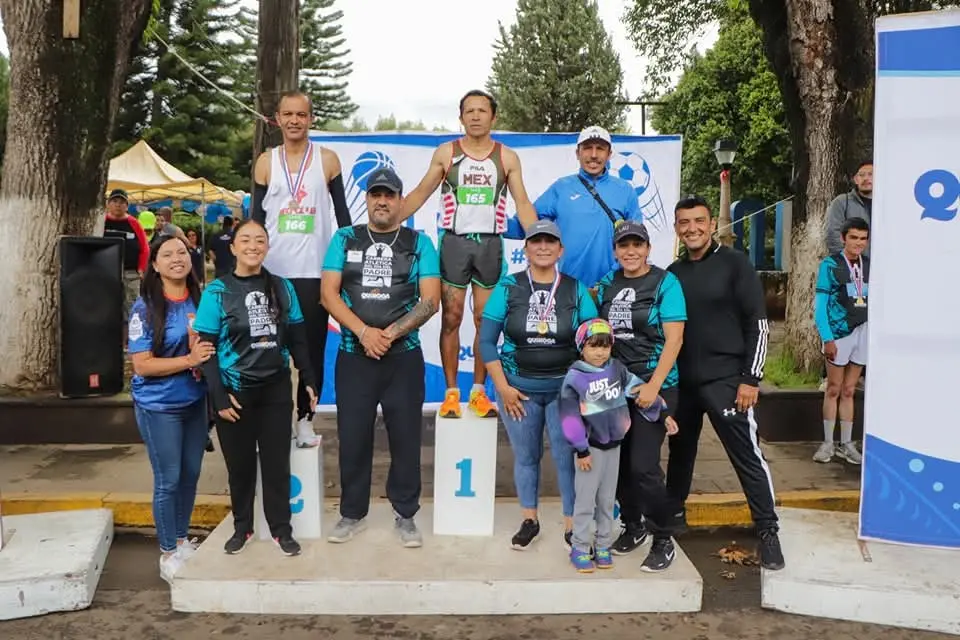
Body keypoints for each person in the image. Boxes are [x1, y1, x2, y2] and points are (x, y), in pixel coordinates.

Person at [320, 168, 440, 548]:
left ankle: (405, 515)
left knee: (406, 438)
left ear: (401, 200)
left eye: (389, 195)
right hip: (354, 355)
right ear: (368, 200)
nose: (383, 202)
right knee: (353, 437)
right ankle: (351, 514)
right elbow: (328, 295)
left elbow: (430, 301)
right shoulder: (344, 238)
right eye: (376, 195)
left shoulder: (419, 242)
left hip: (402, 356)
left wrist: (389, 334)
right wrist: (364, 332)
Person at [400, 89, 538, 420]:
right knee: (451, 316)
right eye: (469, 111)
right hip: (455, 244)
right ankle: (451, 393)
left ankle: (478, 393)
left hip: (490, 245)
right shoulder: (447, 153)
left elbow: (522, 202)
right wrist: (390, 221)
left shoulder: (506, 157)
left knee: (484, 320)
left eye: (482, 110)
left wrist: (538, 239)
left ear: (494, 117)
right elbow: (420, 192)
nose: (475, 116)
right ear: (461, 117)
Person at [665, 195, 784, 571]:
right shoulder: (674, 273)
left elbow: (758, 324)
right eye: (684, 222)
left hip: (729, 381)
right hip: (684, 383)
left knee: (747, 456)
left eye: (699, 221)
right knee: (680, 456)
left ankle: (767, 530)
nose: (692, 228)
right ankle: (671, 519)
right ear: (676, 228)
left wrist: (751, 378)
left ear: (712, 224)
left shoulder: (735, 263)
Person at [193, 219, 318, 557]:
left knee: (278, 464)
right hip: (235, 393)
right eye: (245, 240)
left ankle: (281, 529)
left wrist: (308, 378)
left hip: (275, 390)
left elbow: (297, 339)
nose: (253, 246)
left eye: (260, 240)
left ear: (267, 247)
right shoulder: (216, 292)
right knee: (241, 467)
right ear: (232, 247)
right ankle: (242, 526)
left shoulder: (282, 287)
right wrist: (218, 395)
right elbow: (206, 350)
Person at [478, 220, 598, 550]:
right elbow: (487, 341)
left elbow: (594, 342)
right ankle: (529, 520)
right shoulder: (508, 287)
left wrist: (581, 390)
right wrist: (501, 387)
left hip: (564, 393)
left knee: (565, 456)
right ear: (526, 248)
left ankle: (572, 525)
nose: (543, 247)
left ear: (561, 250)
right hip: (518, 392)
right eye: (536, 241)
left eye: (550, 242)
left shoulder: (576, 289)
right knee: (526, 456)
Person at [251, 90, 352, 449]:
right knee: (267, 350)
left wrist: (344, 269)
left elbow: (344, 221)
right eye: (287, 114)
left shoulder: (328, 160)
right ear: (277, 119)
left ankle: (305, 420)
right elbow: (255, 222)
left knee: (310, 351)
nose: (294, 121)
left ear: (311, 119)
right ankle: (269, 423)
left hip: (314, 273)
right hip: (273, 273)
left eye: (301, 115)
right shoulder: (266, 162)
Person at [595, 220, 686, 572]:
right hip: (613, 387)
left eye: (637, 245)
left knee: (643, 466)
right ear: (615, 251)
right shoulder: (606, 284)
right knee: (614, 465)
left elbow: (675, 340)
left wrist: (652, 386)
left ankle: (663, 536)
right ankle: (632, 525)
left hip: (654, 386)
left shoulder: (666, 283)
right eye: (623, 246)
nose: (630, 251)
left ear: (648, 248)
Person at [559, 319, 678, 573]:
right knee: (585, 501)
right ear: (582, 347)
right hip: (589, 451)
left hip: (614, 448)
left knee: (605, 501)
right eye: (593, 346)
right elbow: (569, 418)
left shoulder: (617, 370)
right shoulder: (575, 378)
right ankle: (580, 547)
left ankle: (602, 545)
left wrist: (663, 415)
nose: (600, 352)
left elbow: (639, 392)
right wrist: (580, 449)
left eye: (605, 346)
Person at [128, 233, 214, 583]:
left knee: (191, 474)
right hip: (158, 405)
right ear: (155, 265)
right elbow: (142, 365)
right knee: (169, 479)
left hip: (194, 401)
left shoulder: (201, 298)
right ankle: (167, 552)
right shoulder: (145, 308)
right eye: (167, 254)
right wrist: (189, 359)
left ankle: (181, 540)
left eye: (182, 251)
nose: (177, 258)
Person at [505, 126, 643, 288]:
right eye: (587, 148)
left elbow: (637, 240)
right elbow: (525, 227)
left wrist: (612, 277)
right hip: (569, 289)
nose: (593, 155)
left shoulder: (625, 190)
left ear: (609, 154)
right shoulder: (561, 188)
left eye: (600, 148)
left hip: (614, 286)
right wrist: (488, 219)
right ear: (577, 153)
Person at [813, 218, 869, 465]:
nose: (858, 243)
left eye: (863, 238)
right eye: (854, 237)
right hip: (838, 332)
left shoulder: (870, 265)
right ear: (844, 238)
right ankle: (827, 443)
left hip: (863, 331)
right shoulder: (830, 265)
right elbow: (820, 305)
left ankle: (846, 444)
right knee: (834, 389)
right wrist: (827, 338)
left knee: (849, 390)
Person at [103, 188, 149, 323]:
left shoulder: (134, 223)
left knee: (133, 307)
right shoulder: (101, 221)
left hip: (130, 273)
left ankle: (133, 338)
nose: (118, 205)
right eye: (115, 201)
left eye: (122, 202)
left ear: (127, 206)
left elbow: (145, 248)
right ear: (108, 204)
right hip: (107, 272)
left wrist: (141, 268)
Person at [825, 161, 872, 256]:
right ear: (855, 179)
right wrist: (846, 261)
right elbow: (833, 235)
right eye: (861, 175)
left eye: (871, 174)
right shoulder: (842, 202)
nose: (866, 178)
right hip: (852, 265)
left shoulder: (887, 205)